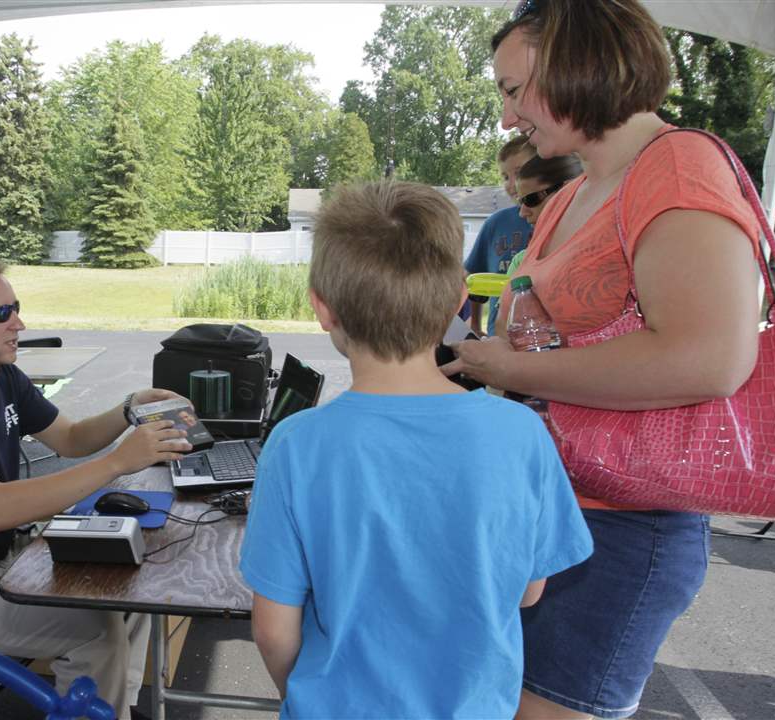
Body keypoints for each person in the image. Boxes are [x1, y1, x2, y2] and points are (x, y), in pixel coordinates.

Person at [444, 1, 763, 717]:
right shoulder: (576, 191)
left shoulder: (678, 169)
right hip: (556, 510)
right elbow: (545, 340)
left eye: (513, 88)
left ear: (578, 62)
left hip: (624, 524)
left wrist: (510, 370)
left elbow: (710, 358)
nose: (506, 117)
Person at [239, 180, 593, 718]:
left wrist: (305, 696)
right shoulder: (522, 433)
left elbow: (273, 630)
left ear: (323, 309)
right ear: (457, 299)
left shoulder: (296, 445)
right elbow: (528, 593)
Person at [0, 251, 192, 719]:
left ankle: (110, 710)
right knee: (98, 629)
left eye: (15, 307)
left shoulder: (4, 378)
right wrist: (117, 462)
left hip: (3, 557)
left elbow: (70, 438)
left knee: (133, 588)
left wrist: (130, 407)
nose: (17, 323)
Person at [464, 135, 536, 336]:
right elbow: (473, 278)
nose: (512, 184)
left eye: (519, 173)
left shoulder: (555, 218)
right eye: (505, 177)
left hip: (541, 335)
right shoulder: (495, 223)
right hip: (500, 335)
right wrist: (476, 325)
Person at [505, 153, 584, 280]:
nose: (523, 212)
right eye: (521, 202)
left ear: (569, 189)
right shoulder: (522, 262)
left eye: (531, 199)